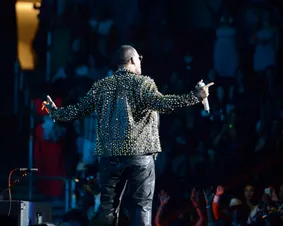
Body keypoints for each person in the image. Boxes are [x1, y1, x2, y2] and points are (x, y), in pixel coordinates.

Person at [42, 45, 214, 226]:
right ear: (132, 60)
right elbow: (163, 103)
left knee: (107, 208)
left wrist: (55, 112)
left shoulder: (101, 86)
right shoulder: (143, 83)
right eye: (139, 58)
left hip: (109, 157)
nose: (141, 61)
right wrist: (194, 96)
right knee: (142, 206)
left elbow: (76, 111)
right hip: (140, 155)